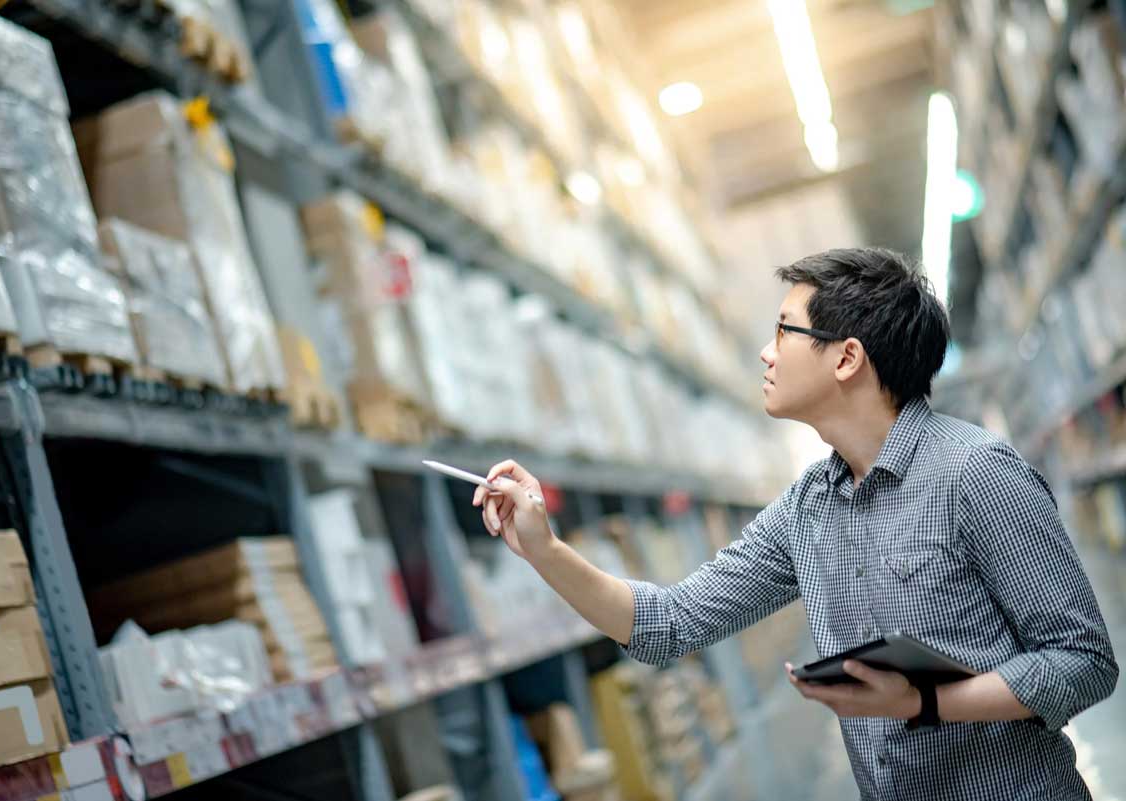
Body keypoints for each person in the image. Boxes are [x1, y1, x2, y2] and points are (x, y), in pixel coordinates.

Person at [471, 247, 1119, 801]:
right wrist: (544, 548)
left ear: (847, 358)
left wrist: (926, 702)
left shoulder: (976, 473)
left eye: (784, 331)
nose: (765, 352)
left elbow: (1084, 660)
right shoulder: (808, 508)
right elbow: (669, 624)